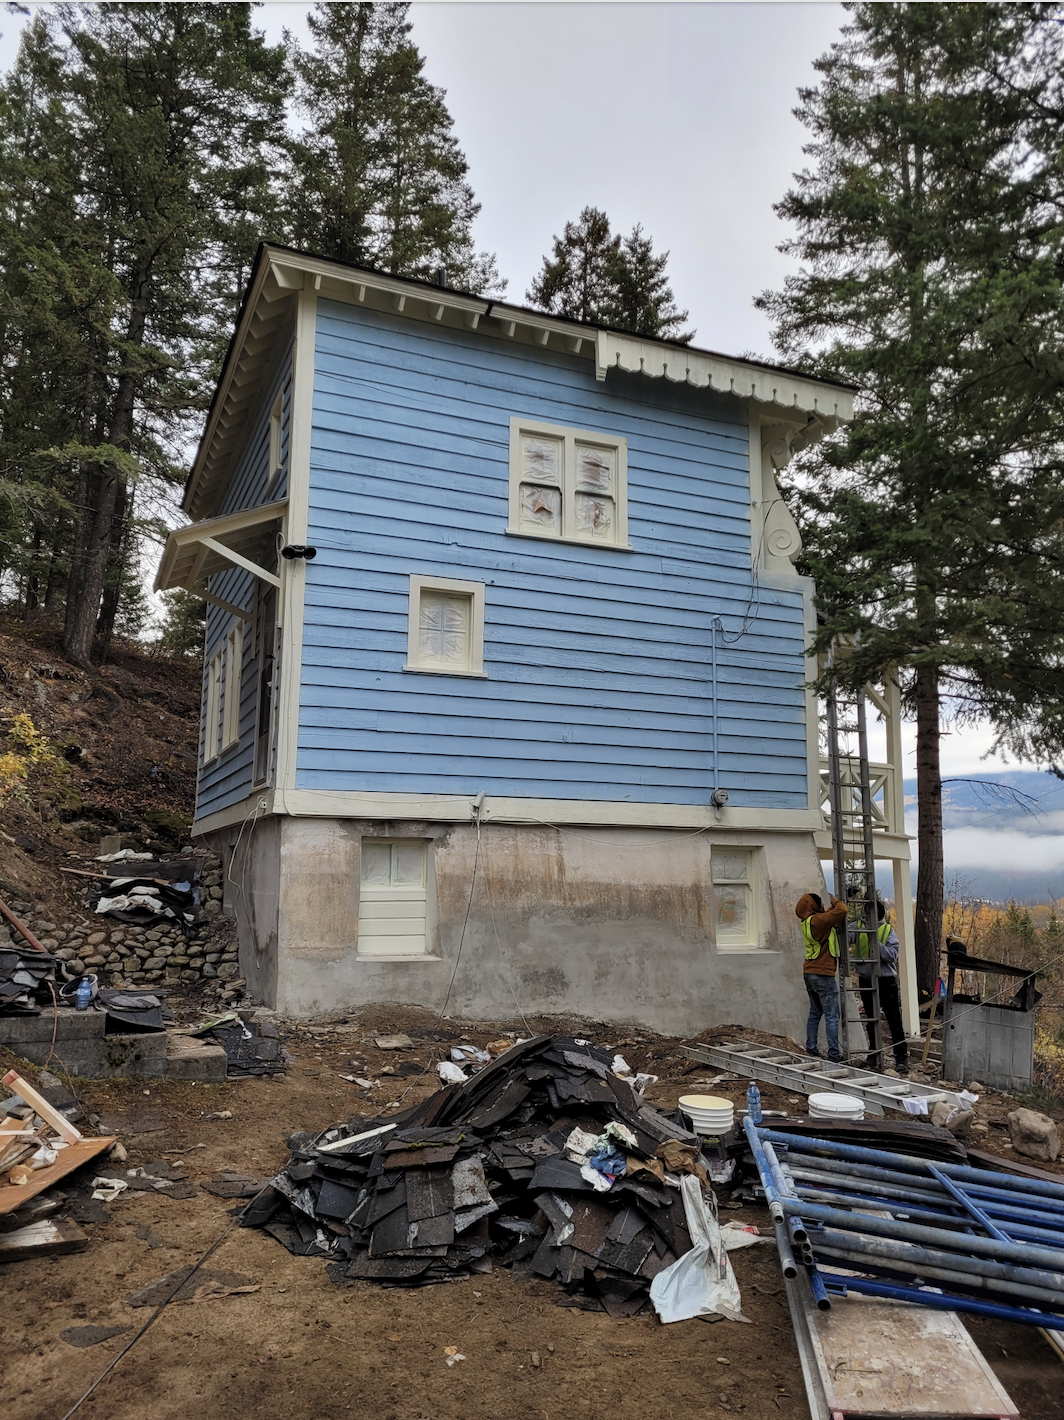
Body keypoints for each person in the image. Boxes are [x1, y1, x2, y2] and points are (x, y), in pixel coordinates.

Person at [850, 903, 908, 1076]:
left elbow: (892, 955)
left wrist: (876, 944)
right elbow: (845, 936)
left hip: (885, 979)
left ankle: (901, 1059)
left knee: (894, 1019)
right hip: (866, 979)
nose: (869, 916)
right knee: (871, 1019)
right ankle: (873, 1055)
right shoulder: (857, 927)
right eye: (867, 913)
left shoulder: (887, 930)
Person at [796, 891, 848, 1063]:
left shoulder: (808, 921)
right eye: (820, 904)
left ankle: (811, 1047)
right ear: (814, 906)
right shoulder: (818, 921)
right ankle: (834, 1054)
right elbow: (842, 911)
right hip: (823, 974)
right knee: (832, 1015)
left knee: (815, 1012)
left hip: (809, 972)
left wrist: (830, 907)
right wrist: (836, 901)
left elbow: (827, 916)